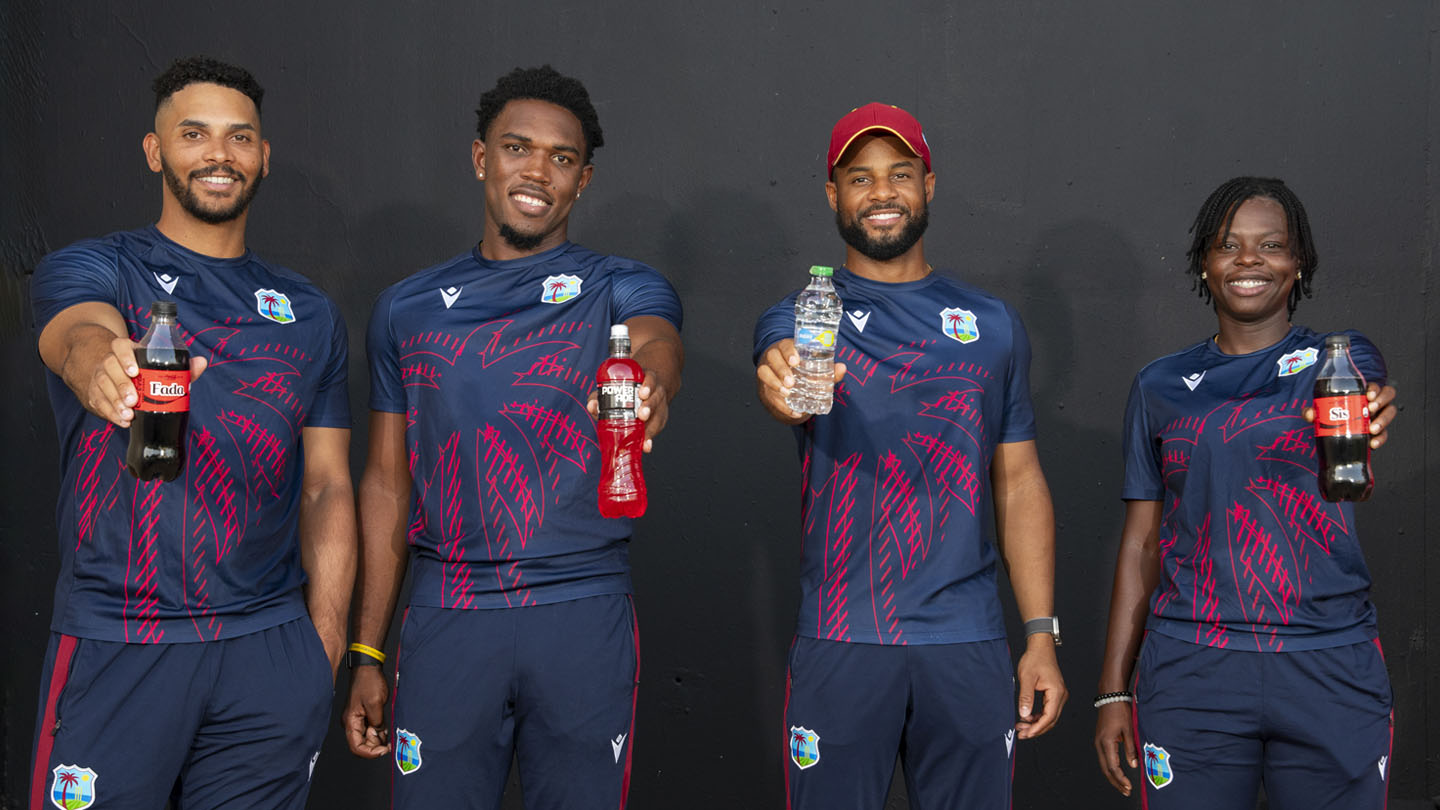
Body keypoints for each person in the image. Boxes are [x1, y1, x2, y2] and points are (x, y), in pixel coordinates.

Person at [342, 65, 683, 810]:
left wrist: (650, 381)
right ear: (479, 159)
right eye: (517, 148)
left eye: (561, 158)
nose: (537, 172)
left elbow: (657, 341)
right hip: (448, 614)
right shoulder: (405, 309)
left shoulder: (620, 285)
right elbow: (385, 484)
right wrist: (366, 650)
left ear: (583, 179)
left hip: (581, 611)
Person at [28, 55, 355, 810]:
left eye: (240, 137)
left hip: (269, 648)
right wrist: (104, 367)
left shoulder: (310, 312)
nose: (219, 154)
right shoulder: (96, 266)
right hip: (122, 636)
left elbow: (327, 483)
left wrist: (324, 648)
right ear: (155, 151)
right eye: (194, 134)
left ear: (263, 157)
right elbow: (77, 334)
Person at [753, 102, 1066, 808]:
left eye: (900, 173)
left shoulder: (991, 323)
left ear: (929, 183)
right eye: (859, 179)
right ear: (834, 197)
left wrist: (1040, 635)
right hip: (842, 638)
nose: (882, 193)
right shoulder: (805, 313)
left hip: (967, 642)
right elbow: (784, 378)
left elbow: (1017, 481)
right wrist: (787, 388)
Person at [1093, 176, 1399, 808]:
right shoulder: (1160, 386)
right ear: (1204, 265)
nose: (1250, 260)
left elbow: (1357, 424)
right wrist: (1113, 691)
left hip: (1328, 660)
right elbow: (1141, 546)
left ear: (1299, 263)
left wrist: (1366, 421)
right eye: (1228, 245)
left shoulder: (1335, 361)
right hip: (1192, 666)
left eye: (1272, 245)